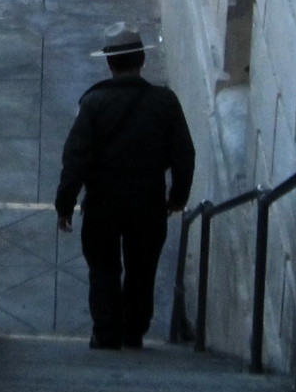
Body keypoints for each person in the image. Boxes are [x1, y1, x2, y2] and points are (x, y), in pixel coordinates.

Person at [54, 23, 195, 350]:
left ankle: (105, 333)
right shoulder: (165, 101)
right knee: (142, 270)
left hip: (103, 204)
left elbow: (75, 159)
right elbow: (184, 154)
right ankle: (133, 332)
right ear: (143, 58)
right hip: (148, 203)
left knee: (102, 267)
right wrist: (177, 196)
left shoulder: (93, 103)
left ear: (109, 63)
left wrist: (65, 205)